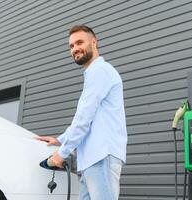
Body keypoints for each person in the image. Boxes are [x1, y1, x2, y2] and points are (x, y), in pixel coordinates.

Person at [37, 25, 127, 200]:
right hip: (90, 161)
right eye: (71, 46)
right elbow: (86, 118)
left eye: (79, 42)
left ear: (94, 43)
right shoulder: (94, 74)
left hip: (101, 156)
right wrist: (59, 139)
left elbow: (84, 118)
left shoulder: (99, 71)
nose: (75, 48)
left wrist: (61, 153)